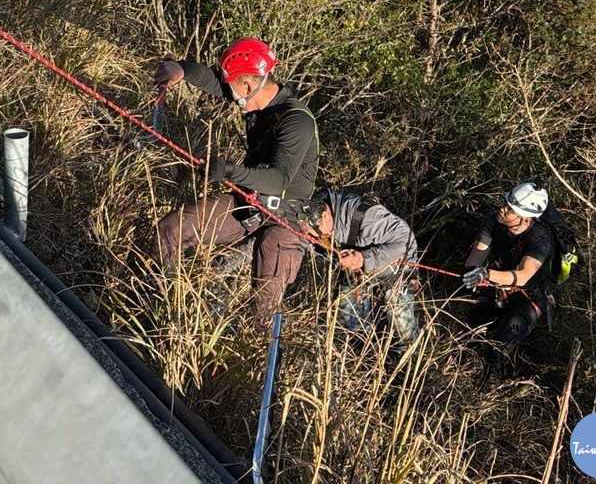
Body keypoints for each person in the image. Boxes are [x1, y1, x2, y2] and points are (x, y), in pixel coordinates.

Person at [153, 38, 319, 322]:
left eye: (232, 84)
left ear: (246, 85)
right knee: (170, 230)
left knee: (262, 311)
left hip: (286, 218)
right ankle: (161, 311)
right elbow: (214, 81)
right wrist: (181, 69)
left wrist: (229, 171)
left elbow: (278, 179)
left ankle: (254, 353)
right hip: (250, 201)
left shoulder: (296, 121)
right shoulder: (253, 96)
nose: (228, 91)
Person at [305, 188, 421, 348]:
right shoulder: (309, 224)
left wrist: (363, 259)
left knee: (402, 324)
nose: (315, 239)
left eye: (316, 234)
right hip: (352, 271)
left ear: (325, 215)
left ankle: (405, 361)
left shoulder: (365, 215)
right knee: (351, 319)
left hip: (395, 263)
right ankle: (366, 356)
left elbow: (406, 241)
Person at [460, 182, 552, 382]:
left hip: (528, 298)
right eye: (504, 203)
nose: (502, 209)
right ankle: (451, 376)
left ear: (526, 219)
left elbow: (523, 275)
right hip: (497, 290)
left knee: (499, 347)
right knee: (466, 334)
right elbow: (477, 255)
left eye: (510, 209)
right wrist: (472, 273)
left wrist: (485, 275)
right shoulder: (492, 222)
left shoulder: (540, 238)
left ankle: (490, 391)